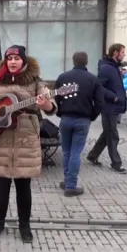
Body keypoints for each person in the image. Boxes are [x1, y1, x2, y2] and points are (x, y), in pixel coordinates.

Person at [0, 45, 57, 243]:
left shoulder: (36, 81)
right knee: (1, 185)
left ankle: (24, 226)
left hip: (26, 140)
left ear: (24, 61)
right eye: (10, 59)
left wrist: (46, 104)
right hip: (1, 138)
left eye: (17, 58)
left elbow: (51, 108)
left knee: (24, 186)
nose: (13, 62)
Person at [55, 52, 104, 197]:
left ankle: (67, 181)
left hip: (66, 118)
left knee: (66, 152)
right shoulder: (93, 79)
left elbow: (56, 98)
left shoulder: (63, 77)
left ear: (73, 61)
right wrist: (92, 116)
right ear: (86, 62)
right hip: (83, 119)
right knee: (76, 153)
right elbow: (100, 102)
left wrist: (60, 112)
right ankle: (71, 185)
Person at [87, 43, 127, 174]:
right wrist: (113, 96)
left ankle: (93, 155)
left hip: (115, 107)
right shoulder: (106, 68)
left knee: (107, 133)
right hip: (109, 107)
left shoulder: (115, 68)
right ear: (115, 53)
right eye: (122, 52)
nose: (124, 54)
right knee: (112, 134)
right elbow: (99, 86)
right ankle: (116, 163)